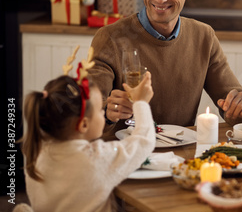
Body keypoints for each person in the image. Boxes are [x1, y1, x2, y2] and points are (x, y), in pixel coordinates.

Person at [88, 0, 242, 135]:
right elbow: (87, 116)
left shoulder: (204, 36)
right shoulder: (110, 38)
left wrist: (241, 109)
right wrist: (108, 113)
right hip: (125, 157)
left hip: (181, 158)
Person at [22, 49, 155, 212]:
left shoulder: (36, 153)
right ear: (83, 125)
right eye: (100, 109)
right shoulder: (96, 158)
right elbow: (143, 143)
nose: (103, 112)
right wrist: (141, 103)